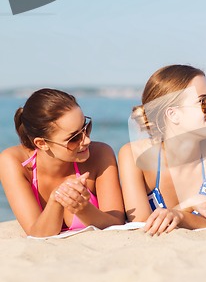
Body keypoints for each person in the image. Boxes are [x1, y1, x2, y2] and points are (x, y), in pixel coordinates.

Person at [118, 65, 206, 235]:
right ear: (172, 114)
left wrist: (179, 215)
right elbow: (141, 224)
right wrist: (189, 205)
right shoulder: (133, 155)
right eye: (203, 102)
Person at [0, 88, 125, 237]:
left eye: (86, 127)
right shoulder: (13, 162)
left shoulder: (100, 154)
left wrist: (83, 209)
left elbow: (117, 223)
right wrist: (57, 200)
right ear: (41, 143)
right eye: (74, 138)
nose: (86, 140)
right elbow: (37, 234)